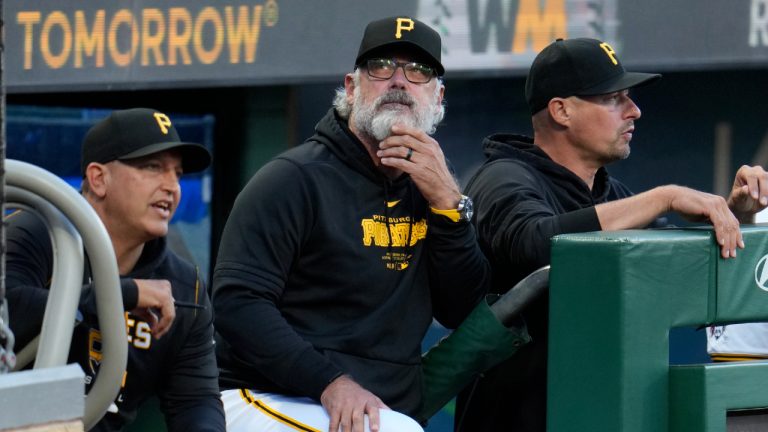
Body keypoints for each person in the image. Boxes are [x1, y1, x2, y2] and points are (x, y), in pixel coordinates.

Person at [456, 38, 768, 431]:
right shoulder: (504, 177)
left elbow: (672, 280)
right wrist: (664, 197)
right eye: (613, 98)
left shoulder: (610, 194)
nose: (634, 111)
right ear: (561, 110)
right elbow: (535, 245)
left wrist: (733, 215)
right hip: (517, 417)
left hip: (601, 411)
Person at [212, 16, 489, 432]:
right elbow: (237, 303)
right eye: (381, 67)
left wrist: (449, 206)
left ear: (438, 95)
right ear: (351, 87)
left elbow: (460, 310)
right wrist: (329, 382)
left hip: (376, 410)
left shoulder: (432, 190)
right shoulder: (294, 178)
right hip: (264, 393)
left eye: (418, 71)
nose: (399, 81)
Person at [5, 108, 225, 431]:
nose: (172, 186)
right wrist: (123, 295)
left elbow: (195, 402)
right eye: (152, 168)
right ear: (98, 179)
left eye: (177, 173)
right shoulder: (38, 232)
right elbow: (8, 306)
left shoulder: (183, 287)